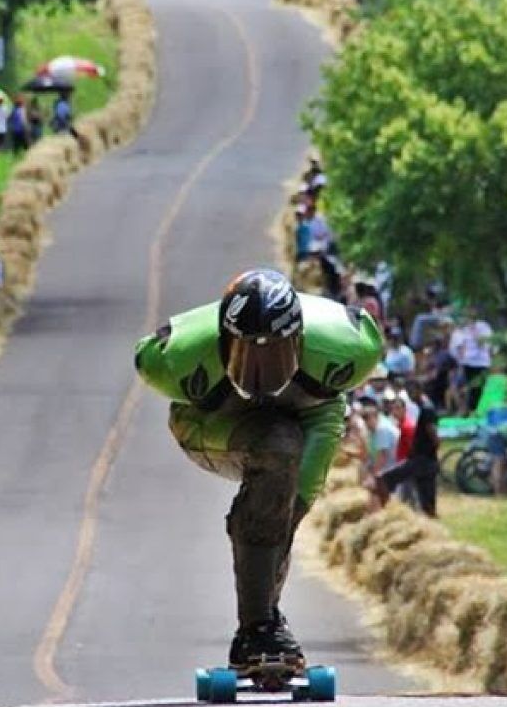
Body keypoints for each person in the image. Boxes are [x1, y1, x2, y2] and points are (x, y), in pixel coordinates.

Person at [134, 269, 382, 670]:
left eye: (276, 354)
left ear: (301, 340)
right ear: (222, 342)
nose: (262, 373)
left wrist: (281, 511)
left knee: (286, 510)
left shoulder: (350, 346)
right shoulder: (173, 358)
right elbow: (145, 354)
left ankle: (261, 625)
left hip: (313, 415)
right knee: (277, 445)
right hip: (213, 420)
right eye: (245, 353)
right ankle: (260, 626)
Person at [379, 402, 440, 517]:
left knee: (421, 494)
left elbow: (432, 438)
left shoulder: (409, 427)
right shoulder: (401, 426)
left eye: (397, 408)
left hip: (419, 463)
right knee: (422, 494)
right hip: (418, 462)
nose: (394, 412)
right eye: (393, 409)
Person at [358, 395, 398, 514]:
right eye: (364, 419)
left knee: (377, 490)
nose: (366, 423)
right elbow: (370, 454)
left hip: (393, 467)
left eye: (367, 419)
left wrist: (373, 475)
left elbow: (382, 456)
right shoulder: (372, 431)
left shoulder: (382, 429)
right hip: (387, 468)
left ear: (375, 417)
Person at [450, 311, 493, 414]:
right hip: (468, 363)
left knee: (479, 387)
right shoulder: (462, 330)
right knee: (469, 387)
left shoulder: (483, 327)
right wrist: (461, 358)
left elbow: (486, 343)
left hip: (482, 363)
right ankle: (468, 410)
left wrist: (475, 333)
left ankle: (476, 409)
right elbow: (457, 347)